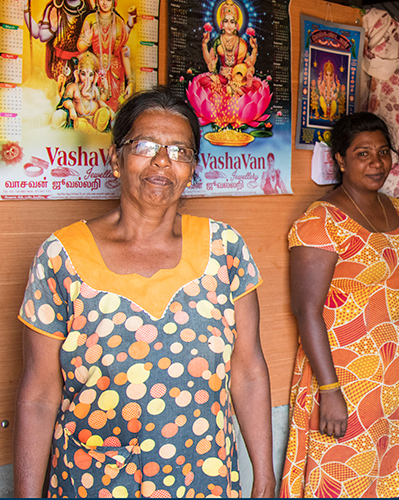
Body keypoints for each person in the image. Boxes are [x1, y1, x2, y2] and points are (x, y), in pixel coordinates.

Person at [14, 87, 276, 498]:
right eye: (146, 146)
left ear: (192, 169)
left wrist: (265, 475)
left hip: (202, 479)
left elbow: (247, 370)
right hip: (94, 481)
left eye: (179, 151)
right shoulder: (61, 255)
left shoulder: (224, 249)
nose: (161, 162)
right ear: (115, 159)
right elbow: (39, 394)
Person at [279, 112, 399, 498]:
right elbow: (306, 311)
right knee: (344, 475)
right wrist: (329, 390)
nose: (377, 162)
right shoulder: (321, 221)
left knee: (391, 474)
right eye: (362, 153)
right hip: (345, 373)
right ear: (340, 160)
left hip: (398, 372)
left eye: (383, 152)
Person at [77, 0, 135, 110]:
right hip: (94, 70)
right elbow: (80, 47)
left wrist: (130, 81)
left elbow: (123, 52)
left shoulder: (119, 21)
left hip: (116, 72)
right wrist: (87, 40)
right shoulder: (90, 19)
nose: (104, 3)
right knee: (94, 109)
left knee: (114, 113)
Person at [52, 52, 114, 133]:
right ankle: (94, 133)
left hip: (94, 119)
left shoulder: (94, 89)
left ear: (95, 76)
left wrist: (105, 89)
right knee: (80, 124)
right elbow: (66, 100)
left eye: (90, 75)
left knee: (104, 112)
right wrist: (71, 109)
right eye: (83, 74)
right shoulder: (73, 87)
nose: (87, 78)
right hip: (79, 119)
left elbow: (100, 101)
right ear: (78, 74)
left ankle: (97, 129)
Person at [201, 0, 257, 84]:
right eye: (226, 21)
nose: (229, 25)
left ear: (236, 25)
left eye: (232, 22)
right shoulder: (218, 41)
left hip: (237, 80)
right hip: (221, 78)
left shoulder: (242, 43)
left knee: (256, 85)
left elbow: (249, 64)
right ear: (222, 24)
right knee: (203, 81)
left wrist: (254, 49)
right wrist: (204, 44)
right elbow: (210, 63)